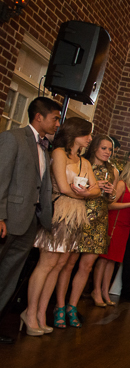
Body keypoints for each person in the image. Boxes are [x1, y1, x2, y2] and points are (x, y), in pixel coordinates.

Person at [23, 118, 99, 333]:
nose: (90, 138)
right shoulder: (59, 153)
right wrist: (84, 192)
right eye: (87, 134)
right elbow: (64, 187)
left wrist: (87, 192)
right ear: (75, 133)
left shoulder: (84, 162)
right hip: (60, 212)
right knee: (46, 264)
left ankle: (41, 313)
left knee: (59, 266)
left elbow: (96, 190)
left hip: (76, 216)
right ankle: (30, 312)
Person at [0, 97, 60, 343]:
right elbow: (1, 179)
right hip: (8, 219)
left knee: (9, 275)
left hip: (29, 222)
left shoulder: (45, 147)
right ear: (39, 117)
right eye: (55, 118)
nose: (58, 123)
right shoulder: (12, 138)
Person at [55, 135, 118, 318]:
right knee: (68, 263)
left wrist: (110, 193)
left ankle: (72, 307)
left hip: (99, 219)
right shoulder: (84, 163)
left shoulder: (113, 171)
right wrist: (93, 186)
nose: (108, 152)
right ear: (95, 148)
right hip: (81, 215)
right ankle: (60, 305)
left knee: (87, 266)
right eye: (104, 148)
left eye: (110, 149)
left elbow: (111, 200)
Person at [92, 161, 130, 307]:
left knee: (113, 261)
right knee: (104, 259)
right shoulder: (121, 184)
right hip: (114, 224)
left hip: (125, 226)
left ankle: (105, 291)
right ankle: (96, 290)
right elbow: (110, 204)